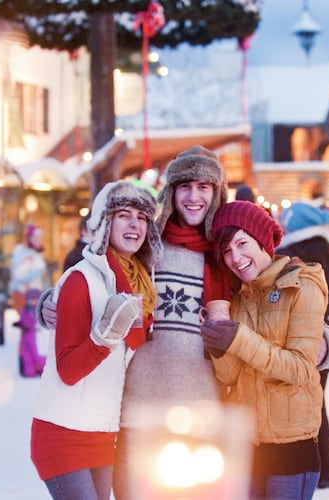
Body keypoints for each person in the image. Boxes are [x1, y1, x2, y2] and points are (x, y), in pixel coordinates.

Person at [36, 145, 233, 500]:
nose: (193, 197)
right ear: (170, 192)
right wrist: (50, 302)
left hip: (198, 411)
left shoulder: (226, 253)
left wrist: (319, 331)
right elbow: (94, 273)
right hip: (133, 412)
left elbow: (262, 292)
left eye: (204, 187)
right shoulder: (148, 248)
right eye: (184, 186)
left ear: (217, 193)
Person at [30, 180, 162, 500]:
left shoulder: (140, 285)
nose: (134, 224)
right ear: (104, 223)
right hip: (64, 433)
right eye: (124, 215)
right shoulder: (80, 280)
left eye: (142, 218)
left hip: (102, 434)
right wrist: (104, 338)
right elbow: (69, 371)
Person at [201, 200, 328, 500]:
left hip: (290, 448)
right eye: (227, 251)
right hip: (246, 447)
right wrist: (218, 347)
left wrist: (238, 339)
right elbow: (231, 377)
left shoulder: (302, 286)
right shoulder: (239, 298)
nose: (236, 257)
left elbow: (299, 369)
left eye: (242, 244)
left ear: (262, 241)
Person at [277, 201, 329, 490]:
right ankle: (326, 469)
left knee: (308, 407)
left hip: (302, 339)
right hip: (327, 339)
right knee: (317, 403)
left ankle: (320, 470)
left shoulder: (295, 256)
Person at [10, 223, 47, 312]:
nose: (39, 241)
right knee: (26, 322)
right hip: (22, 294)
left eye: (39, 238)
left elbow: (43, 271)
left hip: (35, 294)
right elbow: (18, 275)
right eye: (36, 238)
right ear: (29, 238)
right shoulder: (19, 251)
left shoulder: (37, 253)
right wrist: (36, 272)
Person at [16, 288, 46, 378]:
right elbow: (23, 321)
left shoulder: (41, 310)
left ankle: (43, 370)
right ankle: (29, 371)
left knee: (39, 354)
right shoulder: (25, 310)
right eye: (31, 299)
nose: (33, 301)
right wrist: (21, 324)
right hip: (27, 336)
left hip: (38, 336)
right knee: (27, 355)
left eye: (35, 299)